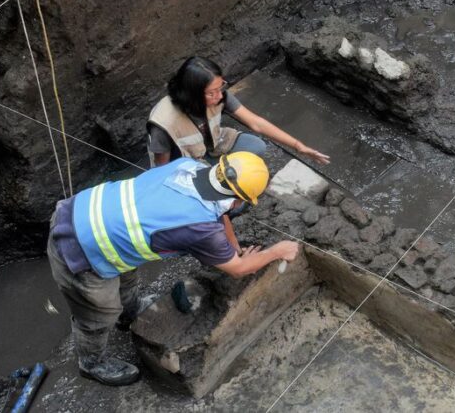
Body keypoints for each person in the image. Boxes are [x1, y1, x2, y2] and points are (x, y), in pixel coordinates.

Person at [47, 151, 301, 386]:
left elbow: (218, 212)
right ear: (238, 200)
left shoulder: (191, 167)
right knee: (98, 313)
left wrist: (233, 245)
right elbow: (237, 269)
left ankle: (130, 312)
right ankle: (91, 363)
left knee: (126, 274)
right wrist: (277, 251)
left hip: (86, 210)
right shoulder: (199, 228)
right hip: (77, 248)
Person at [147, 56, 330, 167]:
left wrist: (299, 146)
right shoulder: (164, 125)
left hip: (213, 146)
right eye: (211, 93)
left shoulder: (219, 97)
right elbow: (162, 170)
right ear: (191, 93)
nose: (220, 95)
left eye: (221, 87)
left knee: (256, 146)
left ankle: (217, 174)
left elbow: (256, 123)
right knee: (226, 203)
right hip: (187, 163)